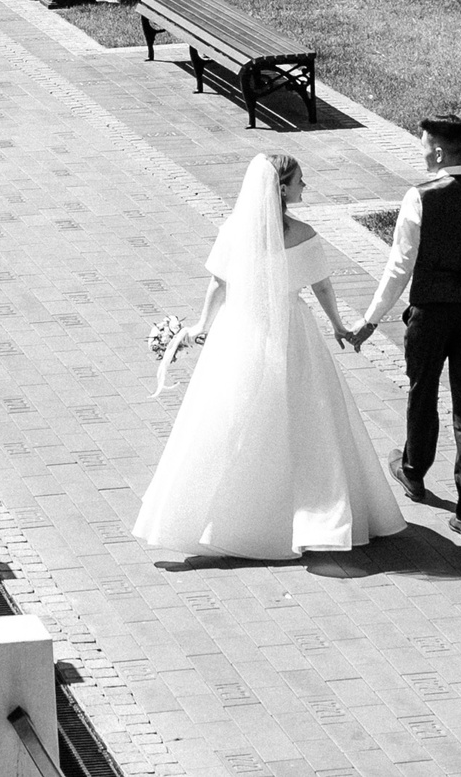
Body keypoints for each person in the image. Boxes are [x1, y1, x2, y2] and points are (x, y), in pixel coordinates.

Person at [132, 153, 408, 559]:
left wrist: (203, 325)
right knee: (307, 417)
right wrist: (338, 325)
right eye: (299, 180)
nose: (304, 186)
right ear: (281, 189)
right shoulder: (304, 234)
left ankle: (222, 514)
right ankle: (312, 510)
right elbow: (322, 287)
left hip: (240, 328)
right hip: (292, 329)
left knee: (232, 416)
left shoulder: (235, 230)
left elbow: (218, 284)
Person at [345, 113, 461, 541]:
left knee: (422, 392)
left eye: (423, 145)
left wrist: (371, 319)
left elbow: (399, 266)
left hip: (431, 312)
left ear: (439, 153)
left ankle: (414, 471)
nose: (421, 151)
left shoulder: (419, 197)